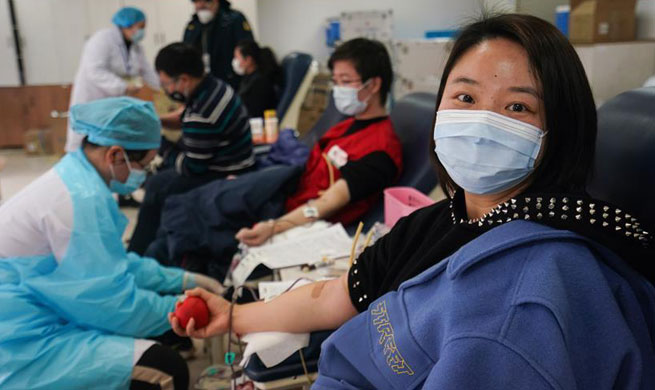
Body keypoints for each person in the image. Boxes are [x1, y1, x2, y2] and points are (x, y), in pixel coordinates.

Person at [170, 14, 655, 389]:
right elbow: (343, 293)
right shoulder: (446, 218)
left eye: (517, 107)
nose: (482, 122)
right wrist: (232, 315)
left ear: (560, 131)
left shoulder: (522, 302)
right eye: (465, 98)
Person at [0, 97, 223, 390]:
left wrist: (183, 279)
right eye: (144, 164)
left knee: (155, 335)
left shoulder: (76, 176)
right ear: (116, 154)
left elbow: (112, 261)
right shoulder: (81, 199)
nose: (144, 174)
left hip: (37, 308)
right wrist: (183, 309)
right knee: (165, 370)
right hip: (20, 344)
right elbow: (113, 306)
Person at [142, 38, 403, 275]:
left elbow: (327, 203)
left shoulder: (380, 151)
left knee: (193, 221)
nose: (337, 90)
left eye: (345, 82)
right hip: (283, 189)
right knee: (193, 206)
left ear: (374, 84)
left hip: (291, 213)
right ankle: (147, 268)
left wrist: (275, 226)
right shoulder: (347, 125)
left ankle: (153, 274)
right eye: (335, 81)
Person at [127, 43, 254, 255]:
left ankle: (138, 253)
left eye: (167, 84)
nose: (167, 90)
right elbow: (183, 116)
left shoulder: (203, 113)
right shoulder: (212, 85)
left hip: (226, 172)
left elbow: (192, 167)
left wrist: (160, 147)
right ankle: (146, 241)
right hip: (229, 158)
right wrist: (155, 121)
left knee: (157, 187)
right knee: (158, 181)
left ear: (183, 80)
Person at [66, 7, 160, 153]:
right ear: (127, 25)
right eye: (140, 27)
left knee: (106, 140)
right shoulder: (102, 39)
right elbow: (95, 70)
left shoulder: (136, 47)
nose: (142, 32)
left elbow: (146, 71)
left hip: (112, 100)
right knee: (84, 138)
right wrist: (123, 87)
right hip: (92, 96)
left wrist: (165, 86)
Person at [184, 0, 254, 89]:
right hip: (203, 82)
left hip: (232, 80)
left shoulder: (234, 19)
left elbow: (248, 48)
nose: (200, 5)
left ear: (216, 2)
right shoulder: (192, 26)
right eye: (197, 2)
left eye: (205, 2)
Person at [233, 39, 281, 118]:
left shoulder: (261, 82)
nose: (235, 61)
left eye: (237, 58)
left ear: (248, 60)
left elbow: (254, 112)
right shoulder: (247, 78)